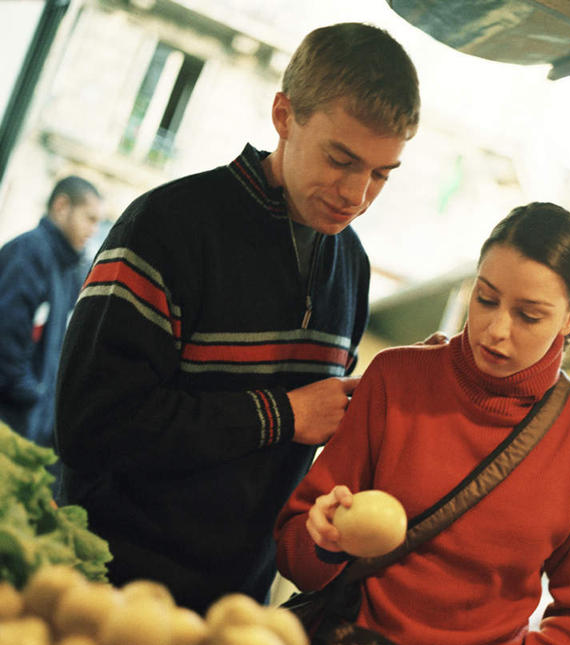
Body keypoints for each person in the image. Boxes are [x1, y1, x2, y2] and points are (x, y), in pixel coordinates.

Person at [54, 23, 421, 614]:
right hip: (102, 586)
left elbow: (297, 449)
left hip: (233, 607)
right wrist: (283, 414)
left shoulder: (352, 266)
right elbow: (91, 425)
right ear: (284, 115)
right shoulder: (166, 226)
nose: (356, 194)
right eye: (341, 159)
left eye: (381, 173)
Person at [275, 202, 570, 645]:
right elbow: (296, 550)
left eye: (529, 315)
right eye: (484, 299)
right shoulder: (396, 376)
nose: (495, 330)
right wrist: (323, 538)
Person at [0, 176, 102, 447]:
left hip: (28, 422)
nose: (93, 229)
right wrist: (31, 394)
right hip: (11, 418)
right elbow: (7, 335)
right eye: (89, 218)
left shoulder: (69, 268)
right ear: (61, 206)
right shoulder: (30, 253)